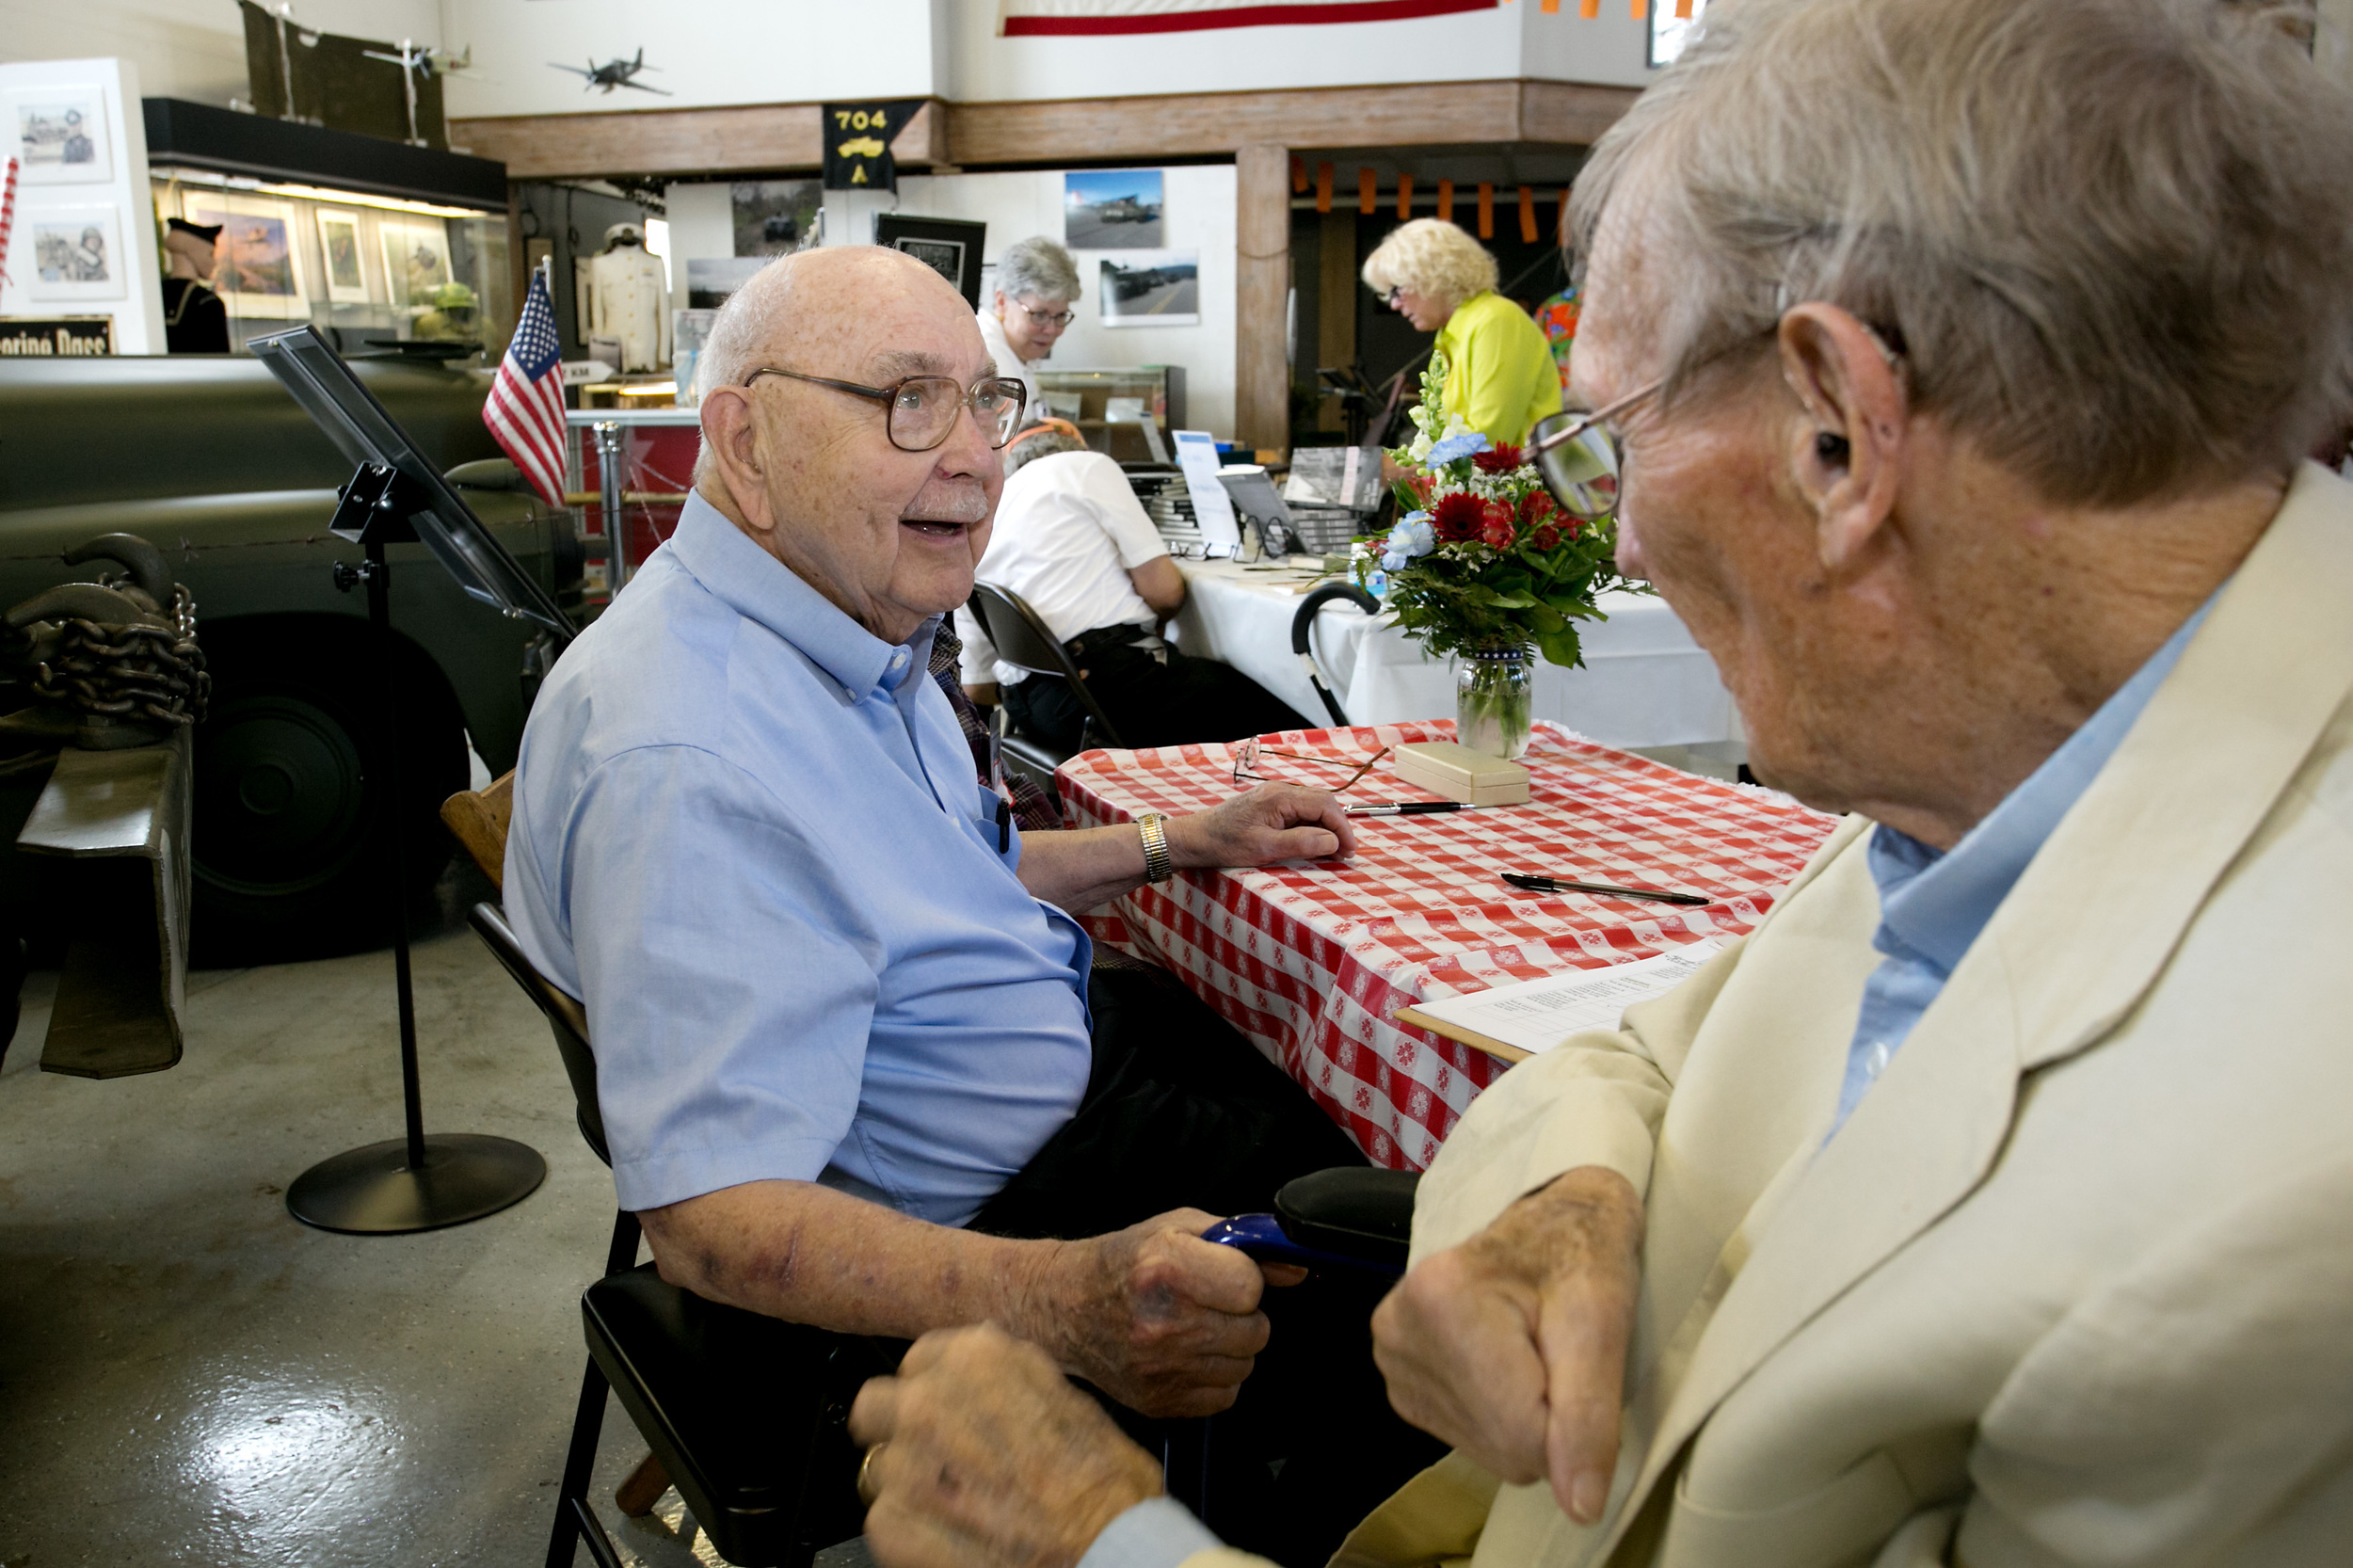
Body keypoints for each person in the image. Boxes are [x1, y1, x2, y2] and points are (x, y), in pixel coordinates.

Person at [843, 2, 2353, 1565]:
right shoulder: (2005, 762)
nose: (1619, 540)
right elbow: (1665, 1046)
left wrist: (1107, 1544)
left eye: (1615, 438)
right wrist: (1579, 1191)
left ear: (1841, 431)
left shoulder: (2278, 1230)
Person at [504, 245, 1434, 1564]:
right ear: (746, 440)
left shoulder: (839, 629)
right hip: (1006, 1217)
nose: (978, 459)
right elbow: (712, 1220)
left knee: (1341, 1106)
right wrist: (1062, 1301)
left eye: (984, 403)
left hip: (1064, 1082)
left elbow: (936, 878)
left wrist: (1178, 841)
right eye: (905, 402)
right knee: (1429, 1282)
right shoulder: (687, 754)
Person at [955, 421, 1315, 750]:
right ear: (1075, 445)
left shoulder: (986, 514)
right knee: (1292, 721)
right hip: (1111, 692)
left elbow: (977, 688)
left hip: (1032, 713)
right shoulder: (1086, 466)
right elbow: (1166, 592)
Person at [1362, 217, 1561, 448]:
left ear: (1432, 276)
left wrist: (1403, 469)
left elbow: (1489, 440)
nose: (1394, 305)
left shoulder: (1495, 320)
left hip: (1523, 481)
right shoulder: (1452, 333)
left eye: (1396, 290)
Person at [978, 235, 1080, 424]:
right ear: (1002, 302)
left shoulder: (1015, 352)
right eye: (1039, 315)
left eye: (1060, 317)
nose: (1051, 330)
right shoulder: (988, 359)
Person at [159, 218, 230, 354]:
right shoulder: (209, 303)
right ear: (193, 251)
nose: (214, 262)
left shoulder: (154, 295)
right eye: (210, 254)